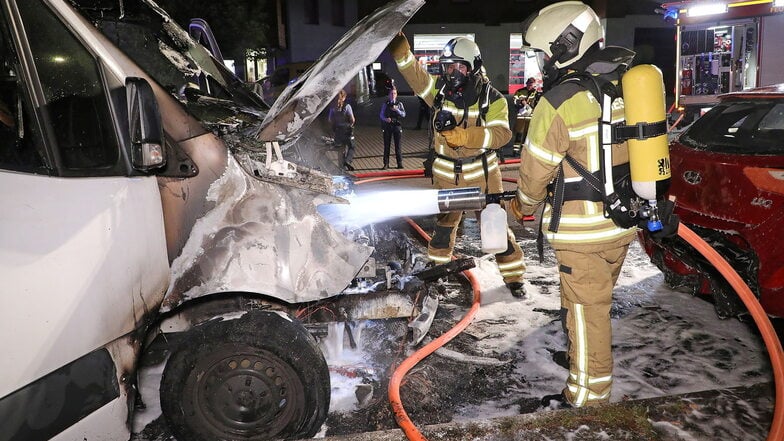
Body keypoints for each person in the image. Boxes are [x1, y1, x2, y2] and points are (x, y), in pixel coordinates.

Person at [509, 1, 677, 409]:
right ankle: (581, 360)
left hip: (583, 234)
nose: (541, 61)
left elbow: (534, 177)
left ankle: (588, 397)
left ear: (564, 45)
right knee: (584, 305)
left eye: (543, 52)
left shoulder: (559, 101)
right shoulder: (623, 85)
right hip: (622, 223)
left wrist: (520, 208)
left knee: (588, 314)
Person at [388, 34, 526, 297]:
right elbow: (413, 72)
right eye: (448, 66)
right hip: (446, 176)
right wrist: (397, 45)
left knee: (495, 230)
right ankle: (438, 271)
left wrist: (466, 137)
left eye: (459, 66)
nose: (453, 73)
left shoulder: (491, 98)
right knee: (443, 229)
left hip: (483, 177)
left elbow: (502, 134)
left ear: (472, 66)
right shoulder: (438, 92)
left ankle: (514, 277)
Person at [328, 89, 356, 171]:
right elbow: (353, 120)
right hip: (347, 131)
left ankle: (341, 168)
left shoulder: (333, 107)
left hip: (338, 131)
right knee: (352, 146)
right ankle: (347, 161)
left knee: (341, 149)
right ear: (343, 97)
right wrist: (350, 126)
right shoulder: (347, 106)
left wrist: (334, 127)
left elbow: (330, 120)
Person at [379, 87, 406, 169]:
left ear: (396, 94)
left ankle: (399, 163)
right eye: (391, 93)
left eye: (394, 93)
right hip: (387, 126)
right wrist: (385, 119)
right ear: (389, 95)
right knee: (387, 146)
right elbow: (381, 114)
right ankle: (386, 164)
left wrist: (397, 110)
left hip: (397, 126)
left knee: (398, 145)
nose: (393, 95)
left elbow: (404, 114)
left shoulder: (399, 104)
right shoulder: (385, 104)